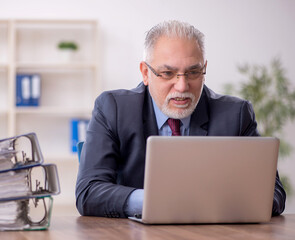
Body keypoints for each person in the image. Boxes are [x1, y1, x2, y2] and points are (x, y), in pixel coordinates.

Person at [75, 20, 286, 218]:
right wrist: (154, 202)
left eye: (193, 72)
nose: (182, 86)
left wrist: (213, 204)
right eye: (168, 73)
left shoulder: (236, 114)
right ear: (145, 73)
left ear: (204, 70)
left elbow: (273, 193)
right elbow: (89, 191)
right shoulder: (113, 108)